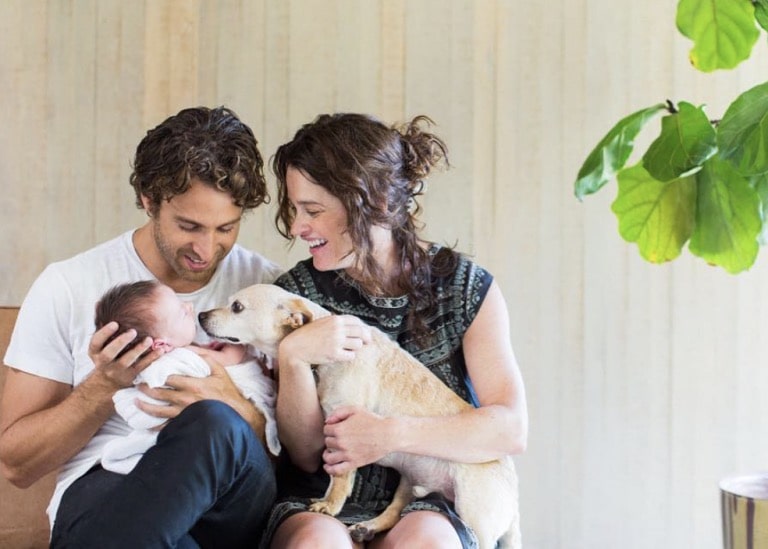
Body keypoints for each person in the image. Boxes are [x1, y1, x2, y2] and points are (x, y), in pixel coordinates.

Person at [0, 106, 283, 548]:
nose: (206, 249)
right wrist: (104, 386)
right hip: (111, 489)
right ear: (149, 201)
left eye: (226, 228)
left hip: (231, 504)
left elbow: (305, 461)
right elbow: (16, 464)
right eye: (189, 226)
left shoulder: (267, 289)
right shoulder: (70, 285)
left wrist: (231, 402)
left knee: (215, 420)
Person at [262, 113, 528, 548]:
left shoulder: (465, 289)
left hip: (429, 501)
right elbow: (307, 455)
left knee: (427, 542)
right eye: (295, 210)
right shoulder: (295, 295)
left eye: (312, 210)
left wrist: (389, 434)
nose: (296, 228)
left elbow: (509, 429)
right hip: (320, 500)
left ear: (377, 203)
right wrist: (292, 355)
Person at [93, 280, 279, 475]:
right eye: (182, 313)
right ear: (160, 344)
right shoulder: (185, 359)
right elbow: (231, 357)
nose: (190, 307)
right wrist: (239, 342)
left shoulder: (187, 351)